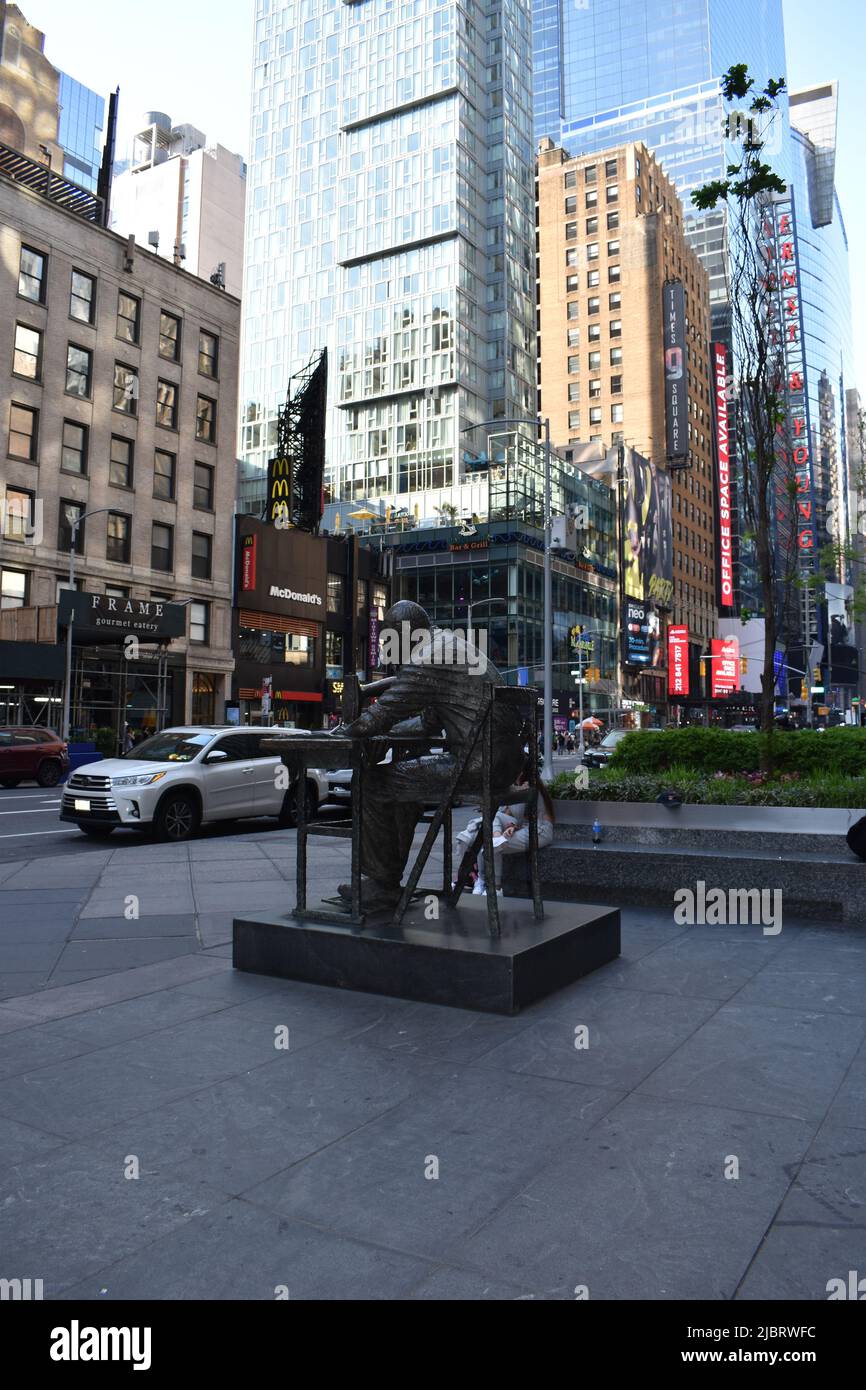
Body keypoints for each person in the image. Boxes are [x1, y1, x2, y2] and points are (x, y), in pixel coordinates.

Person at [334, 601, 525, 912]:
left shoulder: (429, 656)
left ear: (406, 634)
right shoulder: (450, 645)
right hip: (504, 762)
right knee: (403, 788)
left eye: (392, 638)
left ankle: (381, 883)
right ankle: (385, 882)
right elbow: (426, 723)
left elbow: (385, 710)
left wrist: (347, 731)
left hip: (478, 764)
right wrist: (381, 729)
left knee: (372, 781)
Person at [475, 774, 555, 895]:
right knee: (490, 820)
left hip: (540, 831)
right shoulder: (515, 786)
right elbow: (516, 817)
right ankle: (480, 880)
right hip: (524, 827)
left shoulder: (529, 786)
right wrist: (512, 827)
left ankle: (496, 889)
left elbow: (531, 817)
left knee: (493, 846)